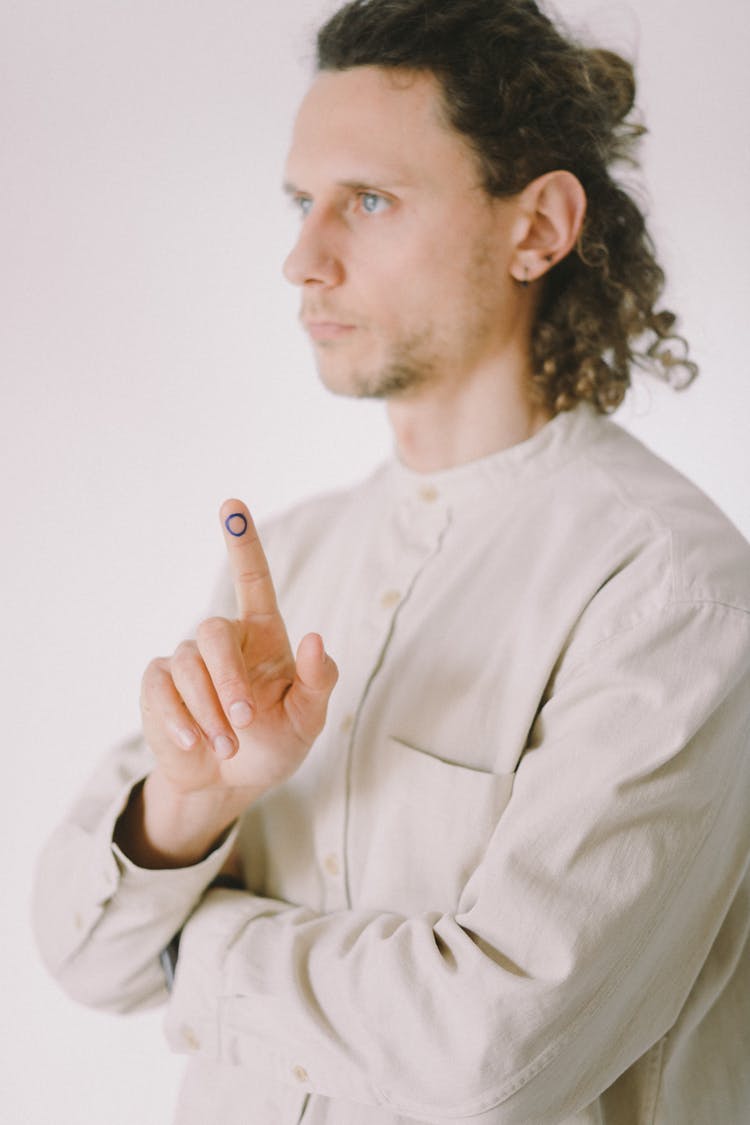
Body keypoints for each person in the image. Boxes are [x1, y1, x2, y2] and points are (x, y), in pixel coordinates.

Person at [33, 1, 750, 1122]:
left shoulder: (670, 588)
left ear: (538, 228)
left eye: (366, 201)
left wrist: (196, 945)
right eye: (299, 203)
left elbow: (494, 1054)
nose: (302, 258)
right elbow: (79, 952)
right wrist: (186, 807)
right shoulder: (295, 552)